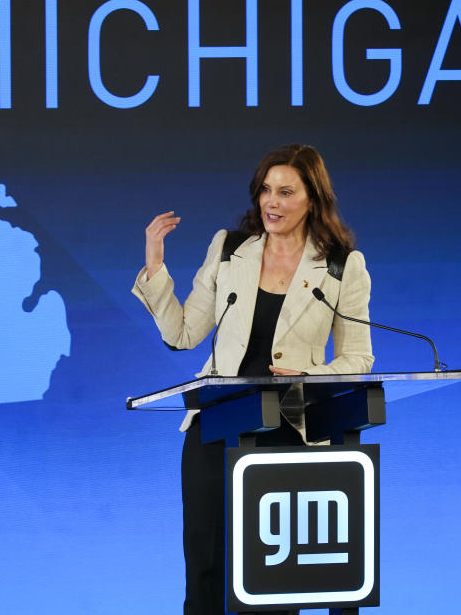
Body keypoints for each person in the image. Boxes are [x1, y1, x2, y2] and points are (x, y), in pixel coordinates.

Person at [131, 144, 373, 614]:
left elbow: (358, 358)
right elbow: (183, 335)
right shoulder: (229, 250)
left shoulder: (344, 265)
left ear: (312, 200)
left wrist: (310, 374)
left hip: (293, 429)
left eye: (286, 191)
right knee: (204, 566)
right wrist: (156, 268)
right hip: (218, 425)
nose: (272, 202)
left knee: (273, 584)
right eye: (266, 190)